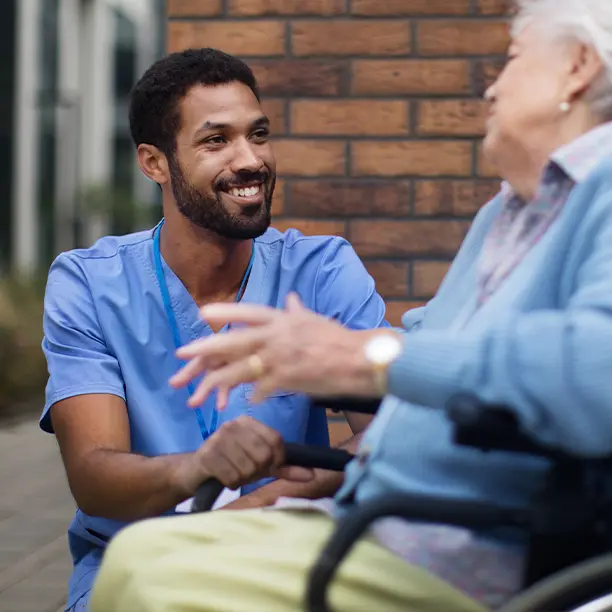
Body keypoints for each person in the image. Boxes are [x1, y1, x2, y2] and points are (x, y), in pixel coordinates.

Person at [89, 1, 612, 611]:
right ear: (153, 162)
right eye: (216, 140)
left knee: (154, 580)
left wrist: (370, 354)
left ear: (576, 67)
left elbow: (596, 368)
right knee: (134, 557)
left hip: (457, 546)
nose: (492, 87)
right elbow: (425, 345)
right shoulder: (507, 211)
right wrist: (352, 419)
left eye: (514, 59)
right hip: (374, 514)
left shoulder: (600, 195)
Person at [41, 48, 388, 611]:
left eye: (259, 134)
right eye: (216, 140)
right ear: (154, 163)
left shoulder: (321, 270)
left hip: (289, 546)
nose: (250, 159)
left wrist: (263, 504)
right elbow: (94, 475)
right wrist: (197, 467)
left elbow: (389, 436)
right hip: (138, 560)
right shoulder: (89, 285)